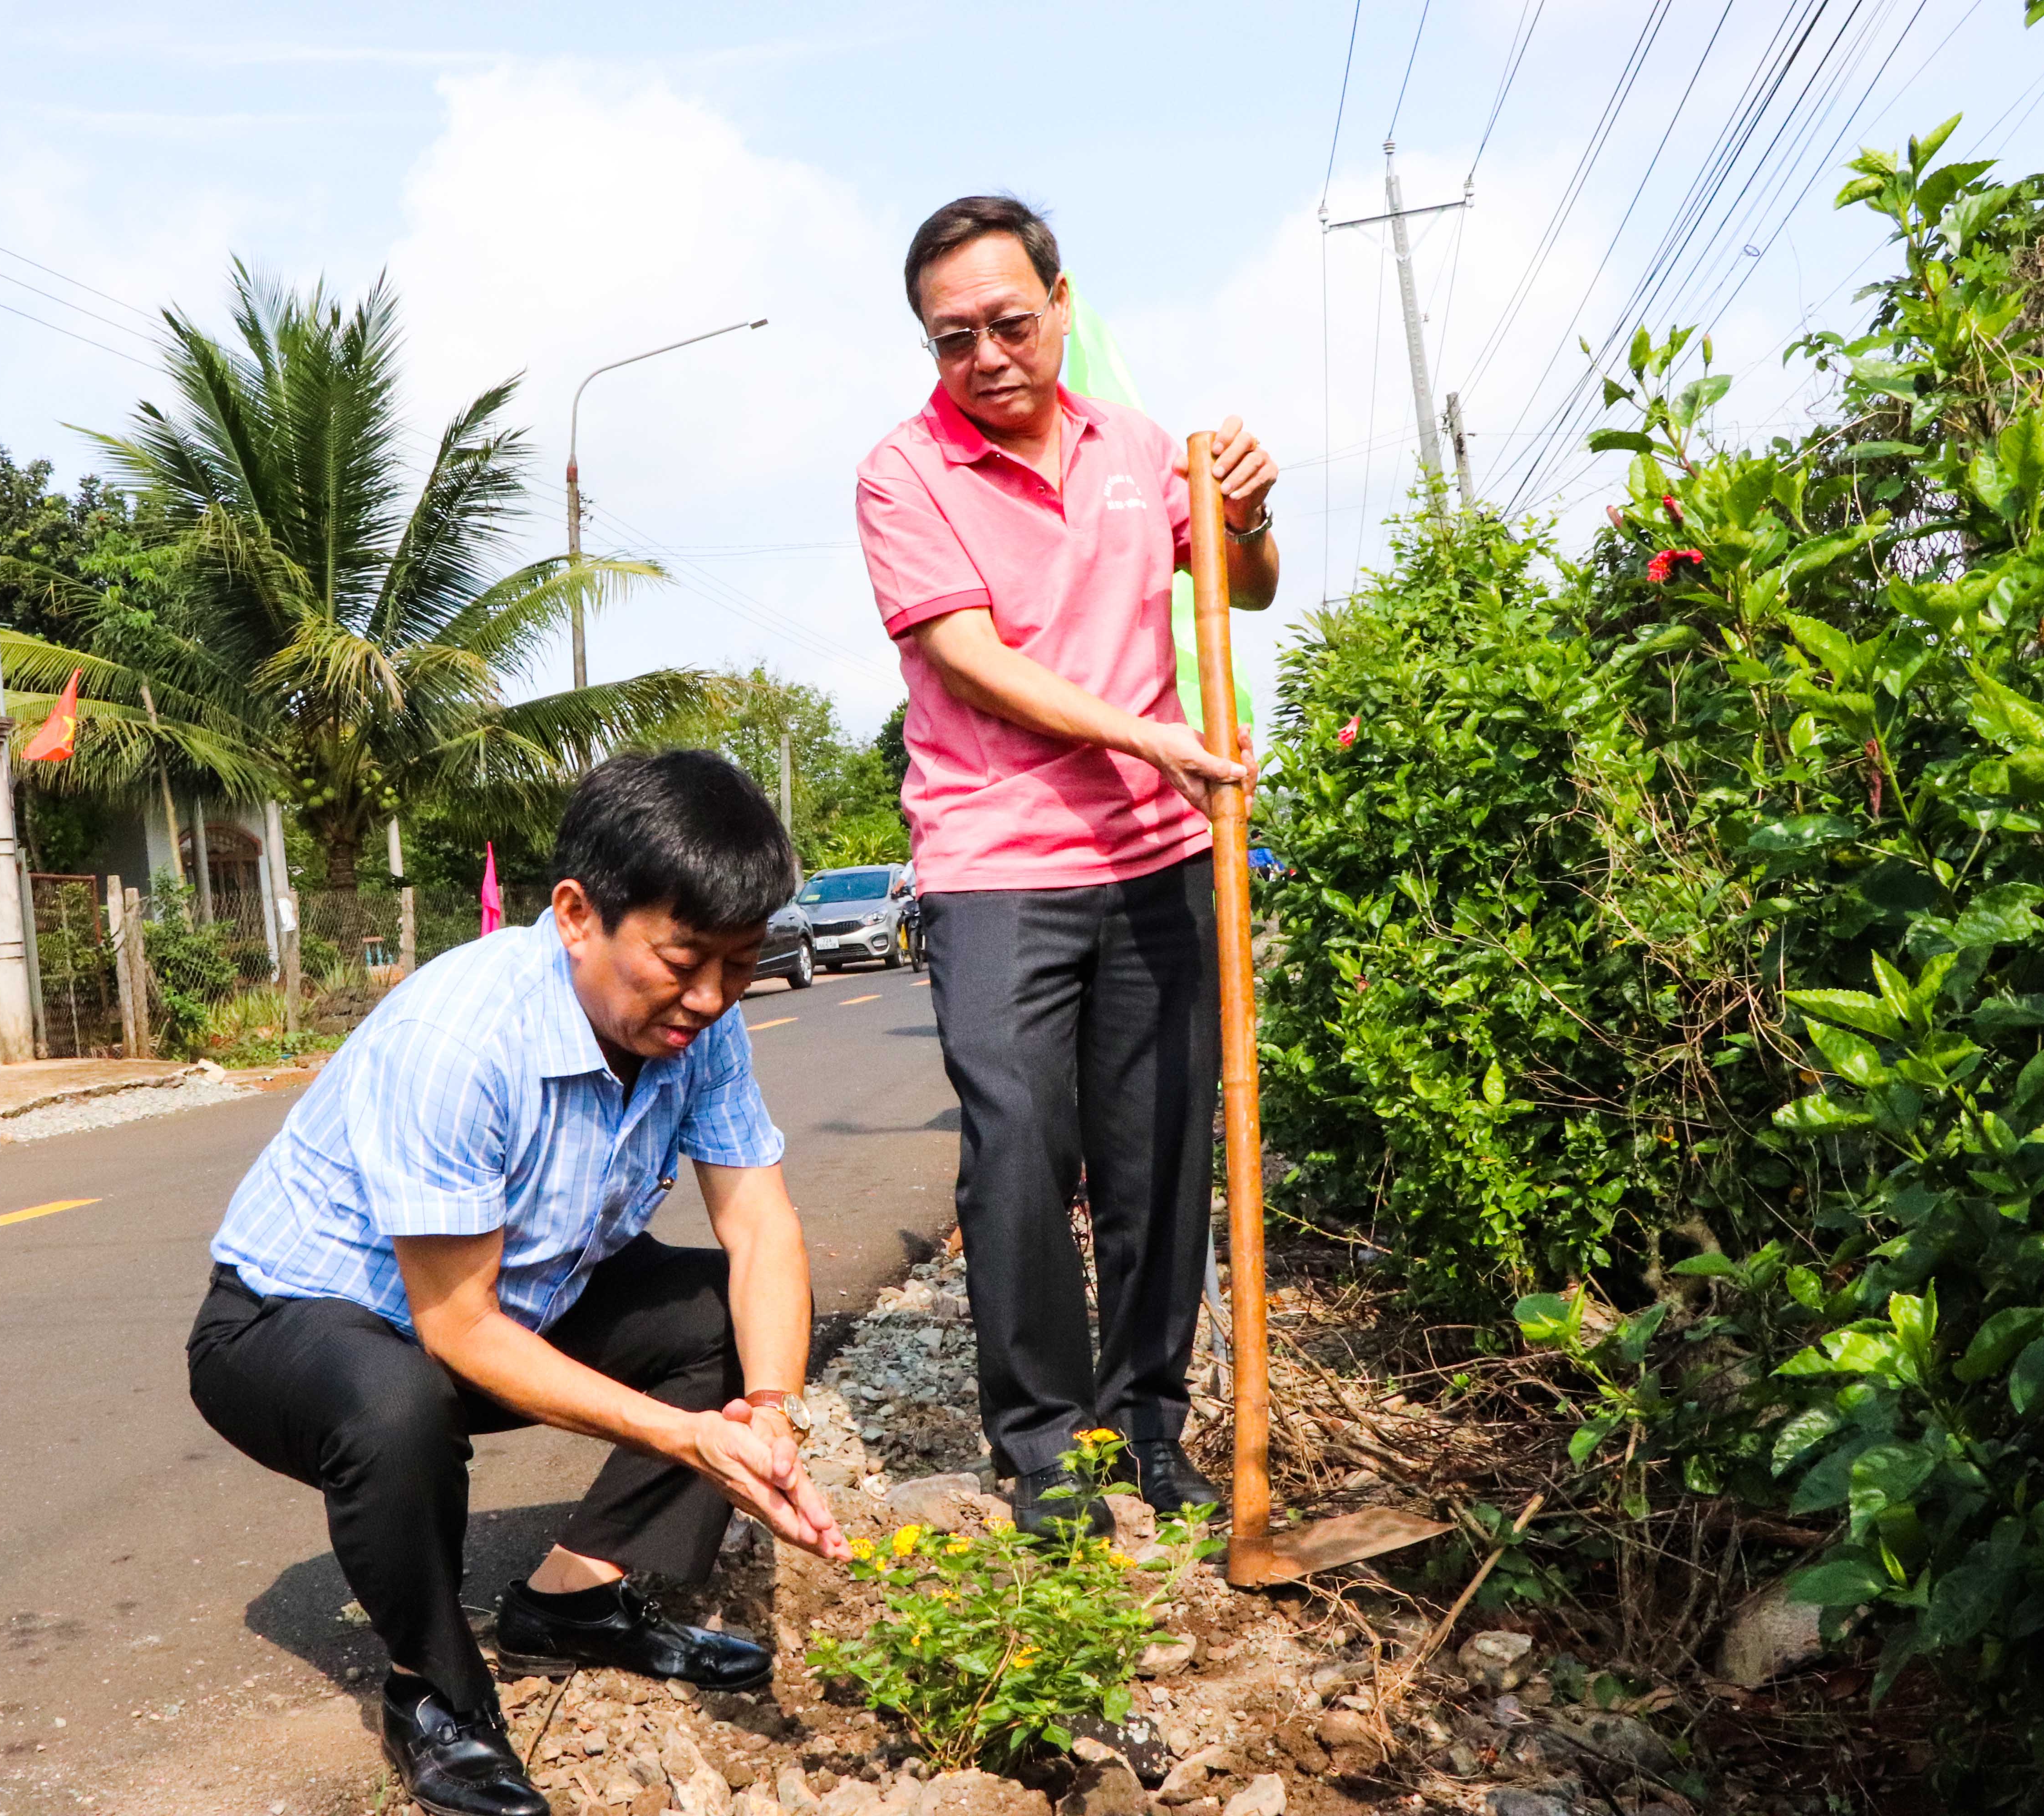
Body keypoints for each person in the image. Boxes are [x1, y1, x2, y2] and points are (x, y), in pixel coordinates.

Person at [188, 751, 849, 1816]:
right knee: (396, 1406)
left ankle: (576, 1601)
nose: (713, 997)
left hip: (513, 1302)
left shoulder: (698, 1026)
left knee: (730, 1320)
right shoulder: (464, 1037)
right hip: (293, 1329)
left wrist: (767, 1413)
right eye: (685, 960)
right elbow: (455, 1326)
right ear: (579, 914)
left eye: (740, 963)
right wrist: (687, 1439)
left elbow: (761, 1224)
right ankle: (433, 1693)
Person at [854, 195, 1280, 1535]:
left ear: (1059, 305)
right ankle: (1041, 1445)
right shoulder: (902, 475)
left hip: (1154, 858)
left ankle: (1148, 1428)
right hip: (996, 863)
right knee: (1015, 1147)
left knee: (1156, 1152)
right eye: (950, 339)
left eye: (1007, 323)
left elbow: (1242, 584)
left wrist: (1249, 512)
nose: (983, 356)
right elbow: (971, 657)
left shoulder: (1138, 447)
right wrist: (1146, 734)